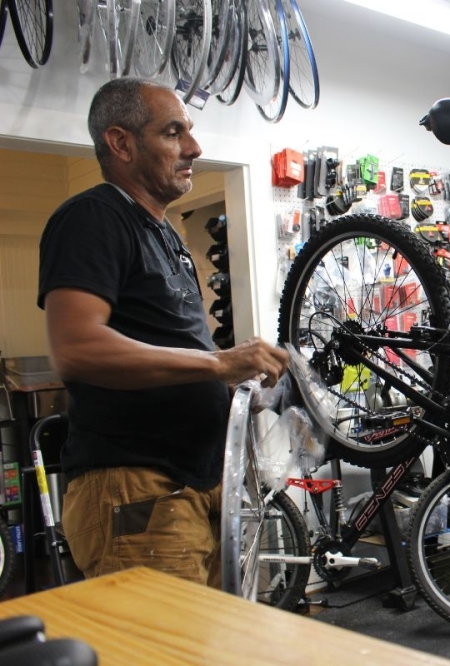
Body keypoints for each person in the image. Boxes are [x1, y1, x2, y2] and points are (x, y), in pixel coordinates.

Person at [37, 78, 289, 588]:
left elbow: (172, 351)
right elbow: (78, 349)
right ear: (121, 143)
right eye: (174, 132)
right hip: (135, 489)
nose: (194, 148)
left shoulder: (164, 235)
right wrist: (218, 365)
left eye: (189, 132)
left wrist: (235, 382)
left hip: (192, 484)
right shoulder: (94, 218)